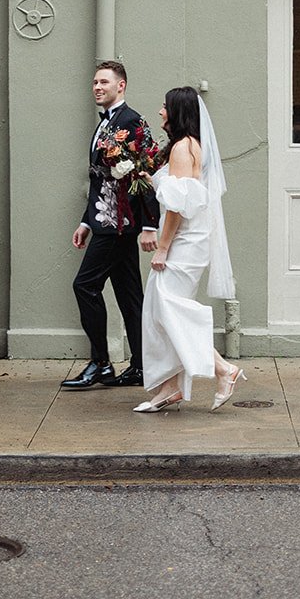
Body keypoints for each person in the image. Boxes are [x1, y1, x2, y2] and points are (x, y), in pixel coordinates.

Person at [132, 86, 246, 413]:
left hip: (183, 241)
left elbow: (179, 208)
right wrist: (152, 179)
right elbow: (181, 191)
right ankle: (170, 388)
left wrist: (162, 248)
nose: (160, 111)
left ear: (178, 111)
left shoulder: (183, 148)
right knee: (159, 309)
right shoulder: (188, 146)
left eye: (164, 106)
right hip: (191, 239)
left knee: (169, 308)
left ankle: (224, 369)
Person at [62, 61, 161, 390]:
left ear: (122, 86)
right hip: (104, 222)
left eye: (104, 82)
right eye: (94, 82)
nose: (97, 87)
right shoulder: (105, 125)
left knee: (84, 286)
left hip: (119, 225)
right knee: (130, 296)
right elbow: (98, 180)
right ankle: (142, 366)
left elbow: (145, 173)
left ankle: (101, 363)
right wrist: (85, 221)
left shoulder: (131, 122)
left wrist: (150, 225)